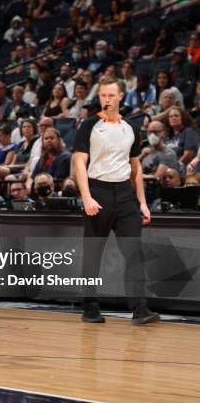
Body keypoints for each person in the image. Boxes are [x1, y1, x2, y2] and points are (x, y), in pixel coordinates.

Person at [73, 76, 160, 325]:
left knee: (134, 252)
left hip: (124, 194)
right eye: (103, 95)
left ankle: (140, 309)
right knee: (93, 253)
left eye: (111, 95)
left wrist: (142, 202)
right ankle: (89, 306)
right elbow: (79, 162)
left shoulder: (131, 127)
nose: (107, 99)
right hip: (98, 191)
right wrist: (87, 196)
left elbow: (136, 168)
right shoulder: (89, 125)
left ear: (121, 96)